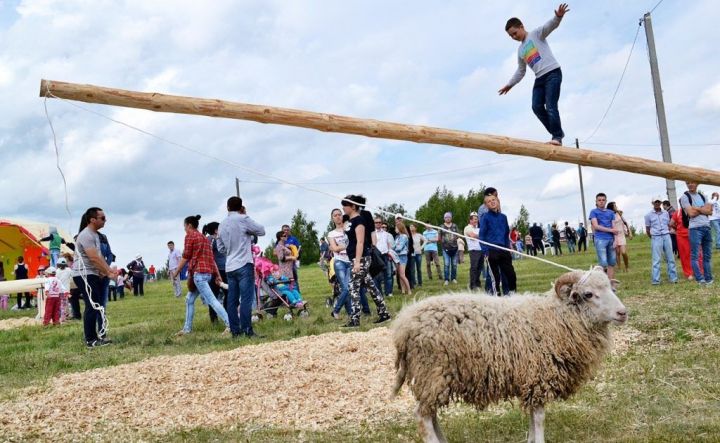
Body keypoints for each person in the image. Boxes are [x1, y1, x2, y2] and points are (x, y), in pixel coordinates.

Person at [499, 3, 570, 145]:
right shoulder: (520, 51)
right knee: (536, 107)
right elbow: (521, 71)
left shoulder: (536, 34)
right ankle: (557, 132)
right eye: (511, 36)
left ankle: (557, 138)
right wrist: (509, 85)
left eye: (515, 33)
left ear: (521, 27)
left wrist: (558, 17)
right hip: (539, 79)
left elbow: (549, 26)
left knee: (550, 105)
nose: (513, 36)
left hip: (552, 73)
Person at [216, 196, 266, 338]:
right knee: (246, 299)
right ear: (241, 207)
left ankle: (235, 332)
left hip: (230, 266)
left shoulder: (222, 224)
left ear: (227, 208)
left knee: (232, 300)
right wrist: (246, 219)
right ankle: (247, 330)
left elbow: (220, 247)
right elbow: (261, 231)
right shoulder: (243, 219)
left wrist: (231, 251)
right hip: (244, 263)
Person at [173, 215, 230, 336]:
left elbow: (186, 256)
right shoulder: (204, 238)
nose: (184, 229)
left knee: (212, 300)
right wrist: (217, 275)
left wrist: (177, 271)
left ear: (189, 225)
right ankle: (187, 328)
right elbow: (211, 259)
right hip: (207, 273)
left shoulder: (190, 236)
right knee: (189, 299)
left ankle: (230, 324)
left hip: (198, 275)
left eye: (184, 226)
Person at [341, 194, 390, 327]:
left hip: (361, 258)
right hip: (354, 257)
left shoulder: (359, 221)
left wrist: (357, 262)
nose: (343, 208)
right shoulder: (350, 221)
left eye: (345, 205)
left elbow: (360, 242)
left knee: (353, 287)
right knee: (371, 287)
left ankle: (355, 319)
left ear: (353, 206)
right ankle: (384, 313)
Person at [72, 207, 118, 348]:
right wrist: (109, 272)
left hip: (91, 274)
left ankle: (94, 338)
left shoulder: (95, 235)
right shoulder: (86, 235)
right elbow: (93, 257)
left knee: (95, 305)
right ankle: (90, 340)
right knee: (92, 306)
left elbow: (99, 257)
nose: (105, 220)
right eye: (102, 218)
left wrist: (107, 271)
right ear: (92, 220)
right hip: (84, 274)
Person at [479, 195, 517, 294]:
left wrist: (508, 248)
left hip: (504, 250)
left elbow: (505, 234)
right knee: (495, 278)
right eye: (489, 201)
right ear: (486, 205)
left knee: (511, 274)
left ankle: (512, 294)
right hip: (492, 251)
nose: (492, 202)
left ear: (497, 201)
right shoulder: (485, 217)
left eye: (493, 200)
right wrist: (486, 251)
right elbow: (481, 236)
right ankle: (497, 296)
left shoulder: (503, 217)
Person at [679, 182, 714, 285]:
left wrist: (697, 208)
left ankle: (708, 278)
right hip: (695, 228)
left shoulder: (703, 196)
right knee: (695, 255)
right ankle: (700, 279)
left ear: (697, 183)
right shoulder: (685, 197)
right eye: (688, 183)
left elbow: (710, 212)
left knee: (707, 255)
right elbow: (691, 213)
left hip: (707, 227)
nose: (690, 185)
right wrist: (703, 209)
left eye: (692, 182)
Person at [644, 196, 678, 285]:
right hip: (656, 237)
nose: (657, 203)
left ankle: (673, 278)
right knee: (656, 259)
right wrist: (652, 237)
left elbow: (668, 224)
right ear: (652, 203)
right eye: (655, 202)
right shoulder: (648, 215)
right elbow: (648, 229)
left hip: (666, 235)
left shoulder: (665, 213)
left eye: (659, 202)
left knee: (670, 258)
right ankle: (656, 280)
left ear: (661, 203)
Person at [327, 208, 353, 319]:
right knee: (346, 288)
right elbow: (334, 248)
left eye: (339, 214)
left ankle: (350, 312)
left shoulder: (349, 229)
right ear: (332, 218)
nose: (338, 216)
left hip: (351, 261)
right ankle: (337, 310)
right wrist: (348, 246)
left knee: (347, 288)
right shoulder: (331, 234)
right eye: (335, 215)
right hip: (340, 262)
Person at [670, 202, 703, 280]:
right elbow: (671, 223)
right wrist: (677, 229)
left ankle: (700, 271)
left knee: (698, 253)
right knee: (685, 255)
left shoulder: (694, 210)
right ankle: (689, 273)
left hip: (694, 234)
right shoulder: (677, 212)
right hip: (681, 237)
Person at [589, 193, 618, 281]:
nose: (601, 202)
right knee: (603, 263)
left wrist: (615, 240)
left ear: (606, 201)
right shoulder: (593, 212)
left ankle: (611, 284)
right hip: (600, 239)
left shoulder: (611, 213)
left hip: (611, 239)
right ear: (596, 202)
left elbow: (614, 227)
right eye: (599, 200)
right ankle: (601, 283)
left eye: (603, 200)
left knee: (612, 262)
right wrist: (611, 230)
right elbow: (596, 226)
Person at [203, 222, 227, 324]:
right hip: (217, 271)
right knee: (219, 295)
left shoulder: (212, 238)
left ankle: (218, 318)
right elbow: (209, 255)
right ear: (216, 230)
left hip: (221, 269)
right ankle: (217, 318)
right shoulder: (211, 239)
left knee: (215, 295)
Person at [373, 217, 395, 297]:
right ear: (374, 223)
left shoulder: (386, 234)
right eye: (376, 222)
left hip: (386, 255)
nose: (378, 224)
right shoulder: (372, 233)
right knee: (377, 276)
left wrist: (390, 254)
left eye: (379, 222)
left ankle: (388, 292)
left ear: (381, 223)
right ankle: (379, 293)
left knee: (388, 274)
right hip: (377, 256)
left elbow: (389, 245)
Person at [607, 202, 632, 272]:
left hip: (621, 235)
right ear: (611, 208)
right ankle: (619, 268)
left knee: (623, 252)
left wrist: (629, 233)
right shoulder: (609, 216)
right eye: (615, 206)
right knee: (617, 253)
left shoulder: (619, 214)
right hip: (614, 236)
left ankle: (627, 267)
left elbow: (625, 223)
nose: (616, 207)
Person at [439, 212, 460, 286]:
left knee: (454, 265)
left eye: (449, 217)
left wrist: (455, 239)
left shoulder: (455, 226)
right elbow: (439, 237)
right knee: (446, 264)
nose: (447, 218)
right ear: (444, 218)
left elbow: (458, 235)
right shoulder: (441, 226)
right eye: (446, 217)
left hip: (455, 248)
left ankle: (453, 278)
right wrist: (443, 243)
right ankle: (446, 279)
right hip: (445, 249)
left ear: (451, 218)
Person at [464, 212, 483, 290]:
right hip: (474, 250)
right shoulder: (468, 228)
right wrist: (482, 236)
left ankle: (477, 283)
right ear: (470, 220)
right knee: (474, 267)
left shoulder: (478, 229)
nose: (476, 220)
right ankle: (472, 284)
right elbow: (472, 236)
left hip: (481, 250)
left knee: (479, 268)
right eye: (475, 219)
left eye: (477, 219)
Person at [393, 221, 412, 296]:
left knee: (402, 275)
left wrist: (392, 249)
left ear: (399, 228)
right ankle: (403, 290)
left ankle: (409, 290)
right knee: (400, 275)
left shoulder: (404, 236)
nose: (395, 229)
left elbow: (399, 248)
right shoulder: (397, 237)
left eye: (396, 228)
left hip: (402, 256)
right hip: (397, 256)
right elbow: (394, 246)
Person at [281, 224, 301, 290]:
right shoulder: (280, 240)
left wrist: (296, 257)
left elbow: (299, 248)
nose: (286, 231)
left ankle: (298, 297)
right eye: (284, 230)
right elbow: (276, 251)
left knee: (294, 280)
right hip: (284, 264)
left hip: (292, 263)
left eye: (287, 230)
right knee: (286, 280)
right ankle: (289, 298)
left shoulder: (293, 239)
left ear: (289, 231)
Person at [56, 257, 73, 321]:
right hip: (66, 291)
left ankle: (61, 316)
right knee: (64, 304)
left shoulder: (57, 271)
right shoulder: (69, 270)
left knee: (61, 304)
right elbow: (72, 277)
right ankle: (63, 317)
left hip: (59, 291)